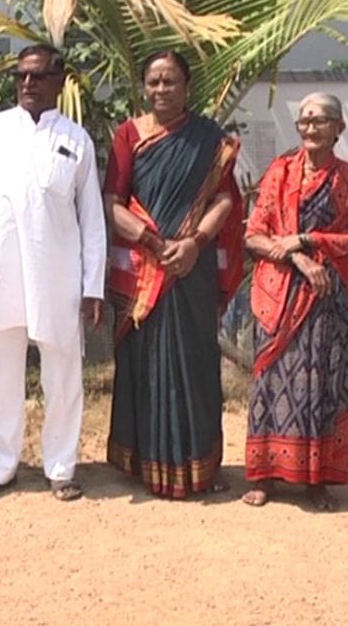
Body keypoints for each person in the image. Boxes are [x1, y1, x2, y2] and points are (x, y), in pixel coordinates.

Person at [0, 44, 107, 502]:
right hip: (0, 274)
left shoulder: (76, 139)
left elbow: (92, 219)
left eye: (37, 76)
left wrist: (92, 285)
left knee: (62, 374)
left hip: (57, 278)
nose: (28, 83)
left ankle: (61, 466)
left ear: (60, 81)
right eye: (21, 76)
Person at [103, 51, 242, 499]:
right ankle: (144, 461)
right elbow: (112, 203)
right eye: (154, 82)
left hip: (191, 269)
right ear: (144, 86)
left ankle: (198, 465)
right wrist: (154, 242)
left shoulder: (210, 140)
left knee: (194, 363)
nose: (161, 89)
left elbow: (225, 199)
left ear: (187, 86)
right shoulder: (128, 135)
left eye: (170, 81)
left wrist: (194, 243)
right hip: (145, 269)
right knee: (142, 364)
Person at [242, 92, 348, 511]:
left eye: (320, 120)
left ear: (339, 128)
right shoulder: (280, 172)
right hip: (279, 294)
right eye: (305, 120)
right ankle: (263, 476)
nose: (310, 128)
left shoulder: (346, 177)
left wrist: (309, 239)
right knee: (271, 381)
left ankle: (317, 480)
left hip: (325, 298)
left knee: (321, 383)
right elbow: (255, 234)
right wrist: (297, 255)